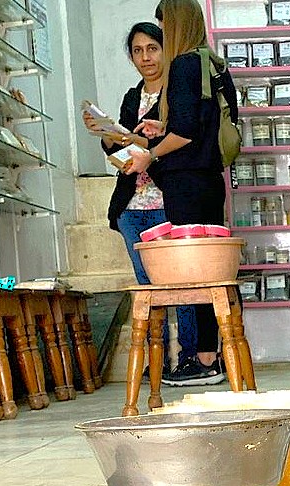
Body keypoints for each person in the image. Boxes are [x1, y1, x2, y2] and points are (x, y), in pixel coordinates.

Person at [124, 0, 238, 386]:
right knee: (213, 268)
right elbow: (208, 122)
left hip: (186, 182)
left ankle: (204, 360)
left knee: (195, 272)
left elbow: (186, 132)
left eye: (163, 25)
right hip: (209, 179)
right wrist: (164, 128)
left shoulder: (184, 64)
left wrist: (151, 154)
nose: (163, 33)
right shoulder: (213, 63)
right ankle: (220, 353)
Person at [82, 22, 202, 383]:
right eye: (137, 50)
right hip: (132, 206)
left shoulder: (176, 92)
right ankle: (157, 358)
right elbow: (120, 148)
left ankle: (190, 357)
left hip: (169, 202)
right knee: (149, 289)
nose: (145, 57)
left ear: (165, 51)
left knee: (180, 285)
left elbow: (183, 143)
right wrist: (105, 133)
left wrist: (151, 142)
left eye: (152, 48)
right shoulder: (132, 97)